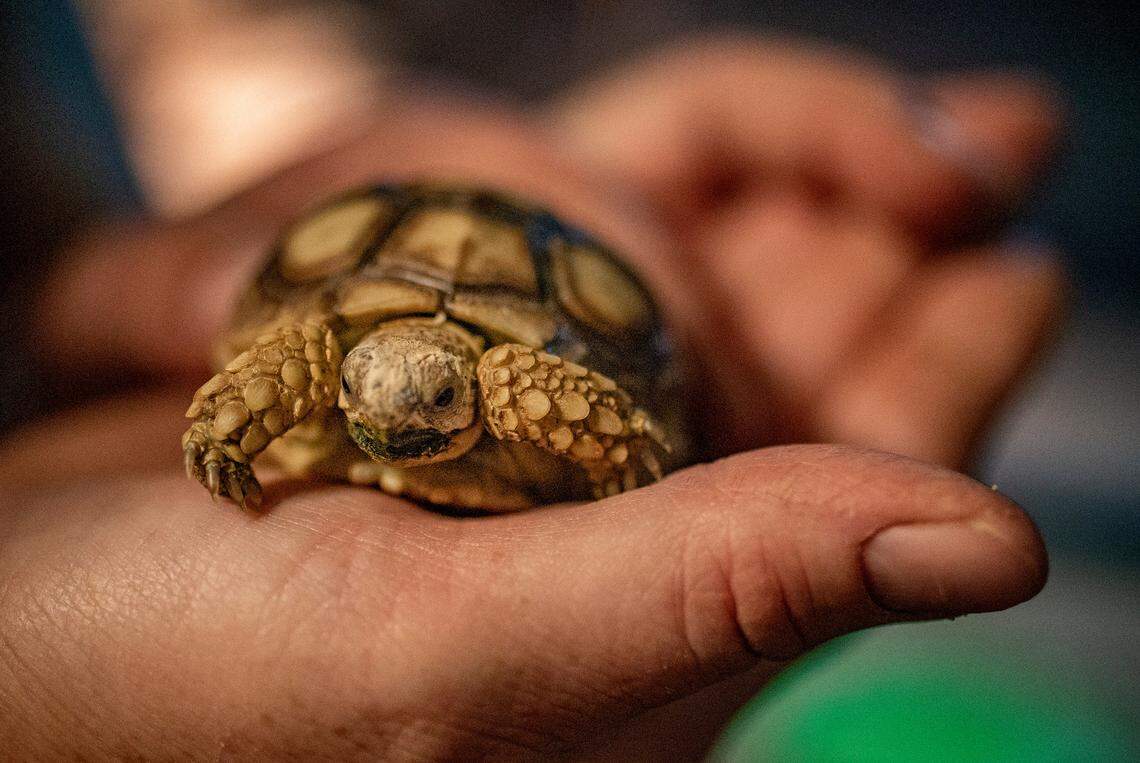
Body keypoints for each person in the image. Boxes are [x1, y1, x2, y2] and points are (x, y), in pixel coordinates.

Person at [0, 38, 1063, 758]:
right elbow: (304, 361)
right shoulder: (326, 360)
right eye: (368, 392)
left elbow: (536, 392)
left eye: (421, 400)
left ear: (463, 393)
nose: (388, 422)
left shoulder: (508, 382)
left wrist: (633, 458)